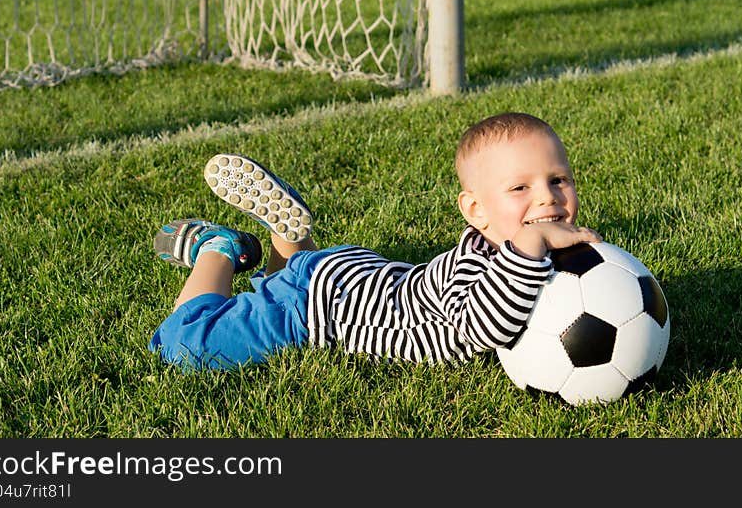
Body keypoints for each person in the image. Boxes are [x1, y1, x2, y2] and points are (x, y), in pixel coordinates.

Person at [149, 112, 602, 370]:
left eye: (558, 179)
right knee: (186, 344)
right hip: (315, 309)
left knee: (292, 275)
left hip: (361, 279)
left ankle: (290, 244)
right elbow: (483, 327)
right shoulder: (476, 264)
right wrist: (532, 238)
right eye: (520, 189)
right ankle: (219, 249)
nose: (547, 198)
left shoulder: (561, 255)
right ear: (475, 211)